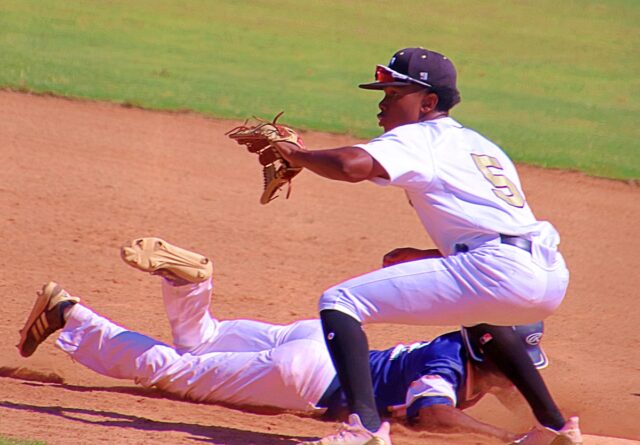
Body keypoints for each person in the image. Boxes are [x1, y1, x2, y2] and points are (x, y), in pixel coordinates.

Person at [269, 47, 578, 445]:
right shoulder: (481, 145)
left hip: (499, 268)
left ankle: (363, 429)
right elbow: (495, 225)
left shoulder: (421, 136)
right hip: (546, 273)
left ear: (429, 102)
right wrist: (428, 257)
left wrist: (298, 155)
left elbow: (351, 166)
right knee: (483, 317)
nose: (382, 105)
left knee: (340, 302)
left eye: (395, 94)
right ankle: (554, 428)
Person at [16, 238, 581, 444]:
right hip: (307, 378)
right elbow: (432, 414)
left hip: (318, 339)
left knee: (203, 340)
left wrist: (546, 419)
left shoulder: (464, 349)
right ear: (490, 355)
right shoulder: (447, 367)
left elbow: (512, 389)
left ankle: (192, 282)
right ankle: (69, 317)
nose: (518, 376)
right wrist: (505, 440)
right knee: (173, 372)